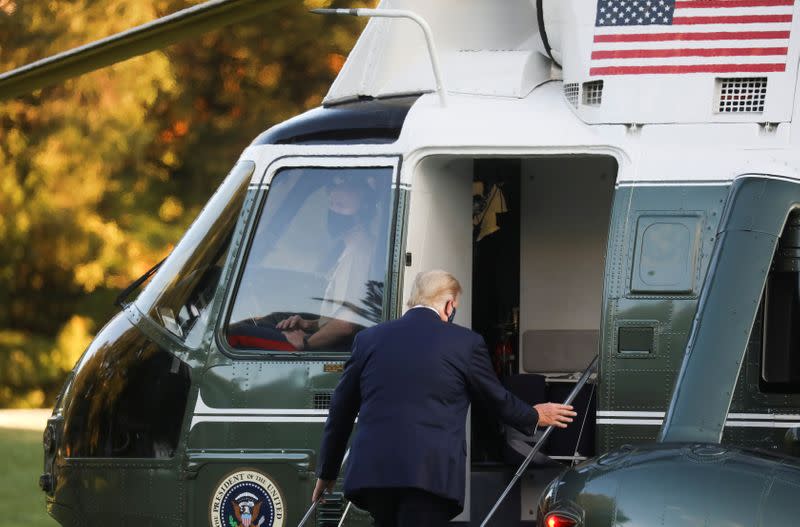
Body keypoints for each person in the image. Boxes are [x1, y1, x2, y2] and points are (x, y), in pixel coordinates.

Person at [312, 270, 576, 526]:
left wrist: (327, 473)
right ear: (450, 305)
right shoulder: (465, 343)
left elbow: (340, 411)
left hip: (374, 474)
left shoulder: (368, 339)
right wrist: (535, 415)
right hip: (430, 473)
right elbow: (495, 399)